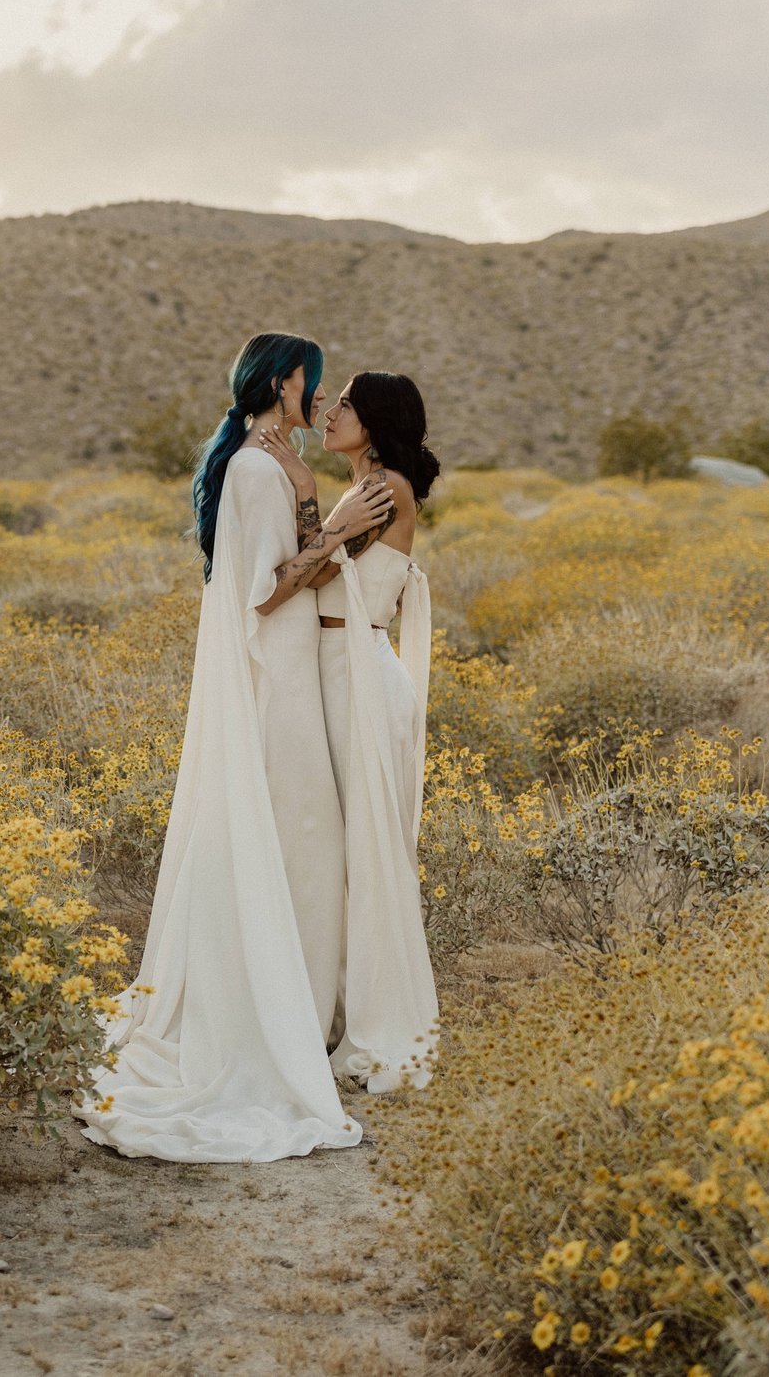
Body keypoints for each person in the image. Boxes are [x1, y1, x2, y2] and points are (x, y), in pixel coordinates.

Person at [75, 334, 394, 1161]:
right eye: (311, 384)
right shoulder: (254, 468)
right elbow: (265, 593)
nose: (318, 399)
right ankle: (269, 1019)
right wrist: (342, 529)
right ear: (283, 384)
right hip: (273, 684)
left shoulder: (279, 461)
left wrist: (338, 522)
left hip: (294, 671)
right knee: (307, 846)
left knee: (304, 849)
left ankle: (295, 1009)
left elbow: (303, 569)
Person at [310, 372, 442, 1093]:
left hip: (356, 671)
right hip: (351, 668)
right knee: (351, 847)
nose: (330, 413)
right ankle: (343, 1008)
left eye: (347, 406)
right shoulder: (373, 484)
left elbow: (308, 573)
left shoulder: (378, 489)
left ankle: (377, 1023)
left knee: (367, 852)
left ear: (378, 419)